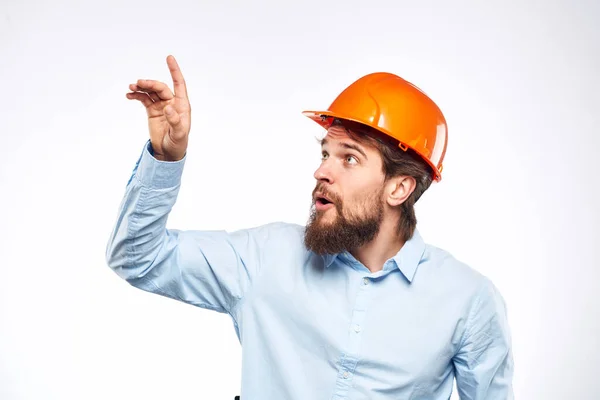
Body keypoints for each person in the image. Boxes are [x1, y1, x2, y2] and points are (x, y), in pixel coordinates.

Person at [106, 55, 514, 399]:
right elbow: (137, 258)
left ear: (399, 187)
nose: (321, 171)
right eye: (325, 153)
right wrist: (165, 156)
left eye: (349, 158)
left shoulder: (468, 302)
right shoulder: (264, 258)